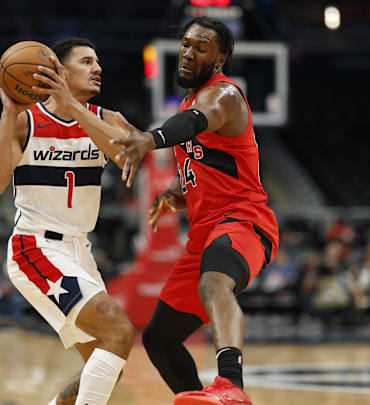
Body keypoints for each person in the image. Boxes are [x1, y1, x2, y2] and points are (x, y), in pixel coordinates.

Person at [39, 17, 279, 405]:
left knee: (215, 283)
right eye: (185, 44)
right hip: (205, 232)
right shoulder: (188, 101)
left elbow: (196, 121)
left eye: (201, 48)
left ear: (219, 60)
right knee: (159, 340)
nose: (188, 52)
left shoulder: (225, 95)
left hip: (244, 220)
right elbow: (207, 169)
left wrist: (150, 139)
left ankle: (231, 386)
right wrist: (177, 194)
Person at [0, 37, 136, 405]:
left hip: (80, 251)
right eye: (86, 61)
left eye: (97, 61)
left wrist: (73, 106)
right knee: (119, 332)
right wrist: (7, 112)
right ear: (59, 72)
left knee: (108, 361)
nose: (97, 68)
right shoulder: (25, 122)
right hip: (35, 247)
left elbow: (126, 157)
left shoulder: (106, 120)